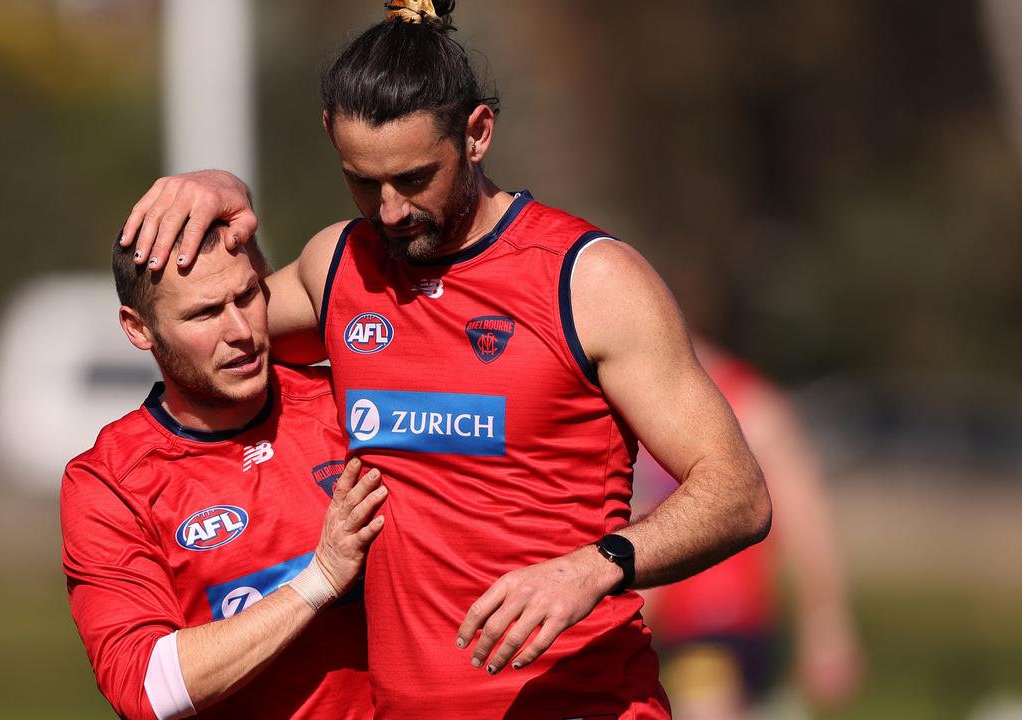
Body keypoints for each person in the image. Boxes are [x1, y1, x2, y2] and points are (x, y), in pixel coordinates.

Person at [118, 1, 772, 716]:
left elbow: (738, 493)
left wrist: (596, 566)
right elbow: (218, 334)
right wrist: (226, 193)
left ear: (477, 134)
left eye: (414, 178)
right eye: (364, 183)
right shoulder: (341, 266)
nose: (391, 210)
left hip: (581, 702)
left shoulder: (588, 281)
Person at [60, 225, 386, 719]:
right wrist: (320, 578)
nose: (241, 330)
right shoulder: (110, 483)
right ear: (138, 328)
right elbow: (145, 686)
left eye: (247, 295)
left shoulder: (348, 404)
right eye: (205, 313)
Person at [634, 341, 863, 719]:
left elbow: (807, 518)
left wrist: (825, 625)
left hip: (716, 620)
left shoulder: (753, 405)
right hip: (641, 623)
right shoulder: (620, 390)